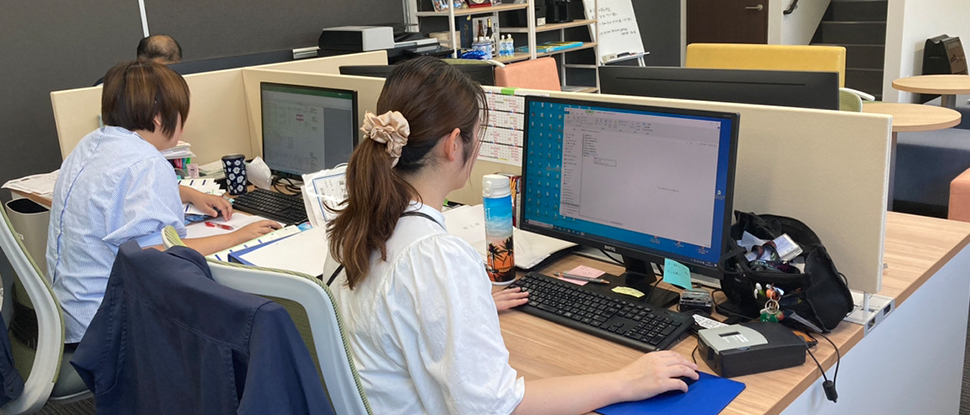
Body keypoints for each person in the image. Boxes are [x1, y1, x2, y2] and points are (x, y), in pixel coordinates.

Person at [327, 56, 699, 415]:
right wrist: (626, 381)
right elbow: (500, 407)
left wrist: (468, 306)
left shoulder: (352, 227)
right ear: (453, 144)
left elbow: (394, 320)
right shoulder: (435, 258)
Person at [48, 60, 280, 344]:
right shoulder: (146, 163)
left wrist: (190, 194)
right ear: (159, 117)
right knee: (239, 324)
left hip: (68, 315)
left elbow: (115, 188)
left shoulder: (92, 143)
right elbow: (159, 255)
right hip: (107, 331)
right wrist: (238, 237)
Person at [94, 34, 182, 86]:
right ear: (140, 61)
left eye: (170, 70)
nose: (164, 76)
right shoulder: (108, 86)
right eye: (158, 70)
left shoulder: (185, 81)